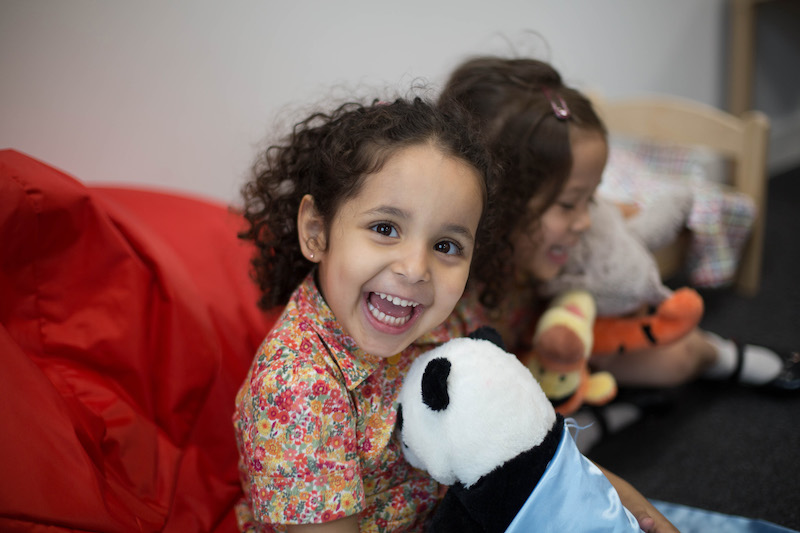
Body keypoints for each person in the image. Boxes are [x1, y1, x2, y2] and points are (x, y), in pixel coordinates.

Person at [439, 55, 800, 396]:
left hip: (561, 335)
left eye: (590, 198)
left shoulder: (555, 239)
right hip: (515, 377)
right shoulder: (452, 289)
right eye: (568, 204)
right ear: (500, 201)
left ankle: (722, 355)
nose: (584, 220)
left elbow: (613, 213)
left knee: (677, 357)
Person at [232, 96, 500, 532]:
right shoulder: (296, 387)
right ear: (317, 232)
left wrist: (618, 498)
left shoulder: (450, 320)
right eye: (384, 229)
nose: (415, 270)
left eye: (446, 246)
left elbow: (524, 443)